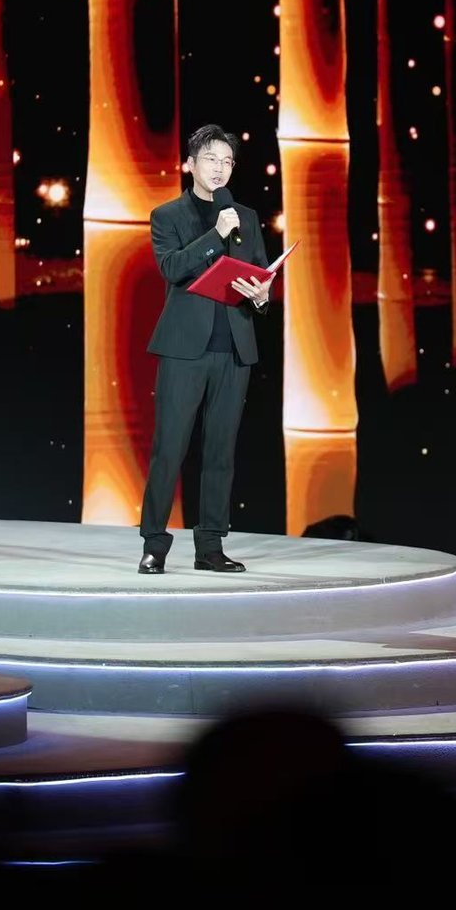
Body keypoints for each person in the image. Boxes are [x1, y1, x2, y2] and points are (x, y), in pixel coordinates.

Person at [137, 124, 275, 574]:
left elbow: (259, 271)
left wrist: (262, 295)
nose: (220, 168)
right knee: (170, 447)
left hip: (234, 348)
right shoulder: (167, 215)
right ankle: (154, 544)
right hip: (184, 350)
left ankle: (210, 546)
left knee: (220, 450)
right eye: (211, 159)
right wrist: (216, 234)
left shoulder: (246, 216)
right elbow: (172, 268)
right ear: (191, 164)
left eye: (227, 161)